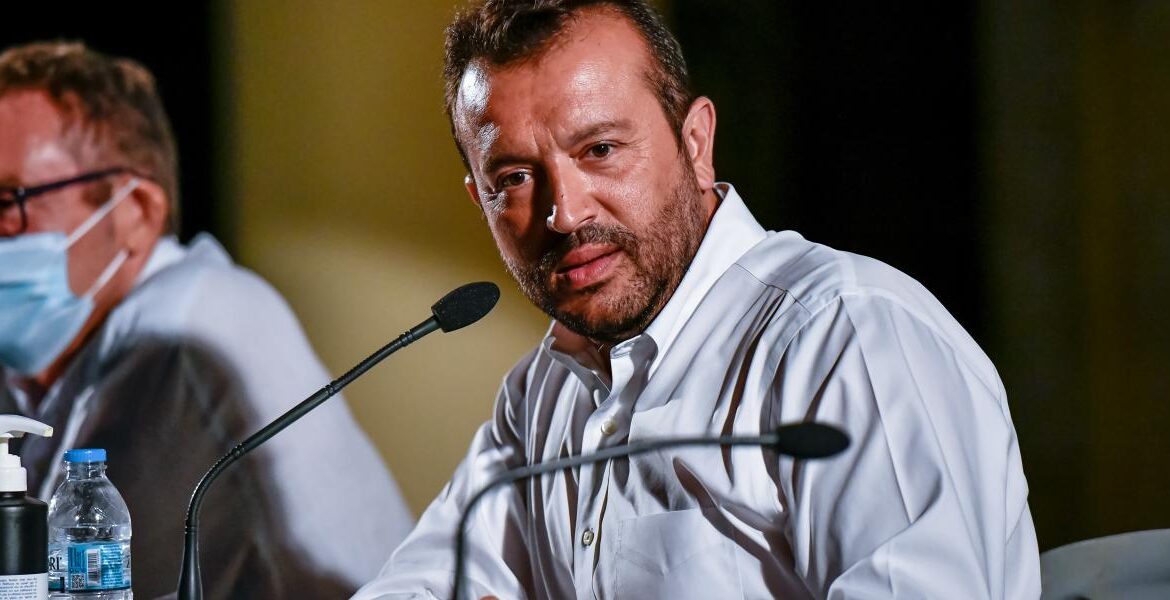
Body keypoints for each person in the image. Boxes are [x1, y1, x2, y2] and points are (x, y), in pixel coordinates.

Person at [356, 1, 1040, 598]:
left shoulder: (848, 337)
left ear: (696, 142)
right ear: (480, 200)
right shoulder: (542, 392)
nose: (564, 212)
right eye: (514, 178)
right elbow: (419, 583)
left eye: (600, 149)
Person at [0, 41, 414, 599]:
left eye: (8, 201)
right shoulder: (45, 356)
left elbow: (60, 582)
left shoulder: (191, 331)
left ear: (135, 213)